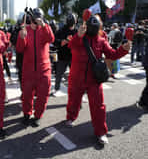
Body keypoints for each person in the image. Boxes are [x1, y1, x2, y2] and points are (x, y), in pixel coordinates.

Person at [65, 16, 131, 145]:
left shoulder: (101, 41)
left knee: (98, 106)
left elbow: (112, 54)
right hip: (76, 76)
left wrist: (124, 49)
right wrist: (78, 35)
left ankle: (101, 132)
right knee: (74, 99)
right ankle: (70, 117)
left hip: (94, 79)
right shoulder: (79, 37)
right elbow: (71, 46)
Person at [16, 8, 55, 127]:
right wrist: (21, 38)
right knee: (27, 95)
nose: (35, 22)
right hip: (28, 69)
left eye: (38, 19)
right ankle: (27, 114)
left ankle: (38, 115)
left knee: (43, 95)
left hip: (44, 69)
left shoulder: (44, 29)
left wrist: (43, 25)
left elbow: (51, 38)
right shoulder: (24, 30)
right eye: (34, 20)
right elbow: (19, 49)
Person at [52, 14, 77, 97]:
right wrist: (64, 41)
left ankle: (78, 92)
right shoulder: (62, 30)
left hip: (74, 56)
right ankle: (56, 89)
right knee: (59, 73)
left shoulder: (77, 31)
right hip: (62, 56)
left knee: (76, 75)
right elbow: (55, 41)